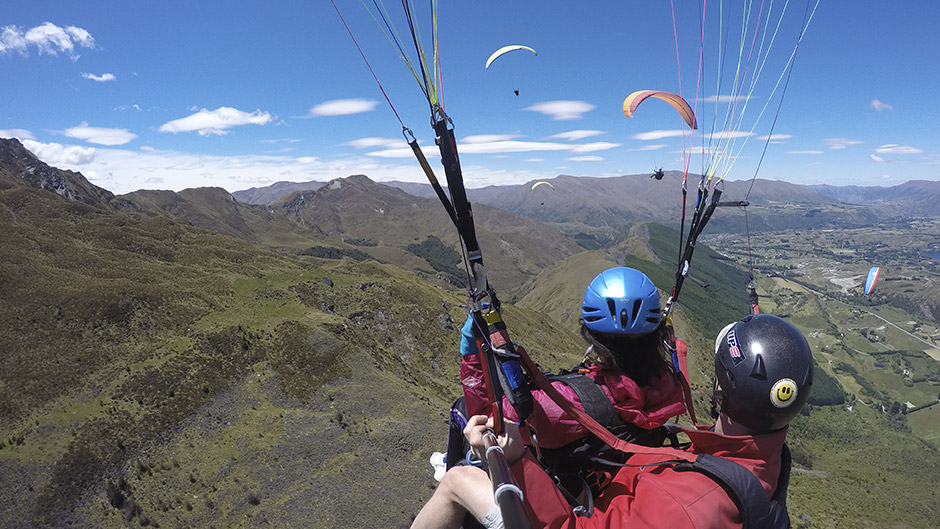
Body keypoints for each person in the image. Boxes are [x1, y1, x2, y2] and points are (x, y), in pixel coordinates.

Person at [464, 313, 814, 529]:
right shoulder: (768, 456)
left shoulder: (685, 504)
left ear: (721, 389)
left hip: (592, 507)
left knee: (458, 480)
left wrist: (515, 459)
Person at [411, 267, 688, 529]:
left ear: (591, 335)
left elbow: (491, 418)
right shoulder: (669, 383)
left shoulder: (572, 407)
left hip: (559, 508)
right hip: (610, 487)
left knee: (456, 479)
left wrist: (472, 356)